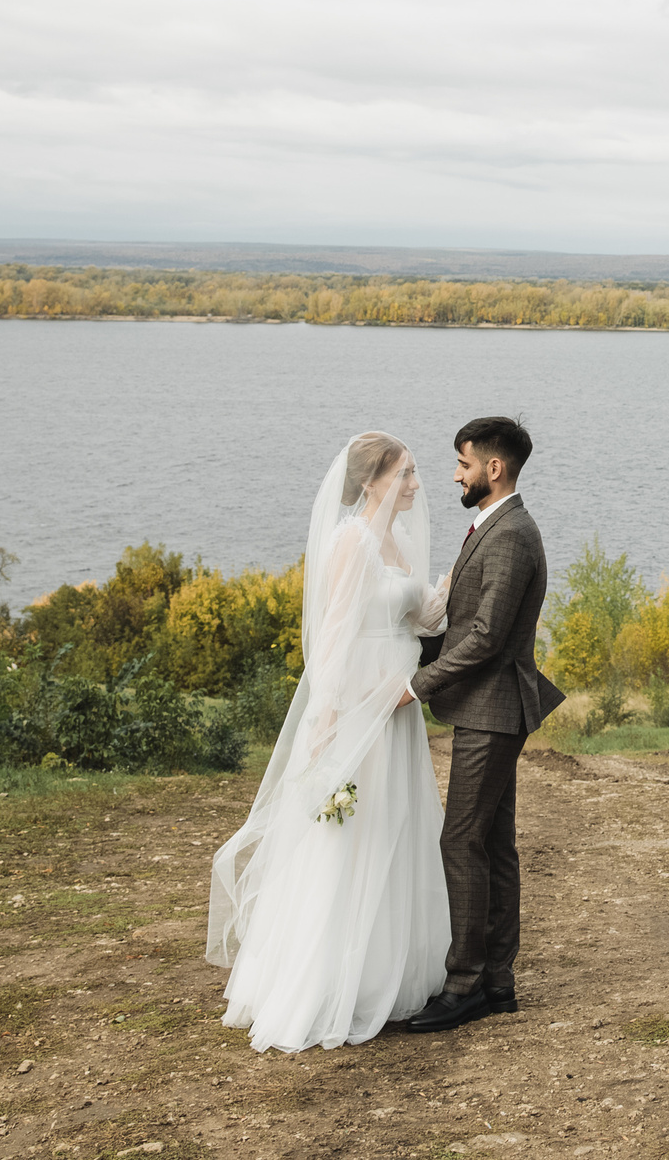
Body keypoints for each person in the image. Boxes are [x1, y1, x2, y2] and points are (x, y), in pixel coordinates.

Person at [205, 431, 451, 1052]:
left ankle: (388, 973)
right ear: (371, 481)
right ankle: (325, 983)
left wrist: (453, 584)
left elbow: (422, 618)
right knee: (349, 835)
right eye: (404, 474)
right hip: (361, 702)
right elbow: (334, 635)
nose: (416, 484)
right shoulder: (352, 541)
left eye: (415, 472)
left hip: (398, 703)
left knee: (395, 825)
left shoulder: (398, 540)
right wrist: (329, 720)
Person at [401, 416, 564, 1033]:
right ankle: (497, 983)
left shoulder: (512, 534)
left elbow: (488, 636)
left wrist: (416, 685)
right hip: (489, 708)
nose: (456, 475)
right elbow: (466, 622)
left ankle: (465, 984)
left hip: (494, 710)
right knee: (493, 844)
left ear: (493, 469)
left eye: (463, 464)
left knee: (460, 841)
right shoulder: (495, 526)